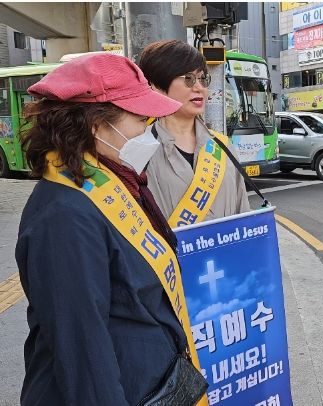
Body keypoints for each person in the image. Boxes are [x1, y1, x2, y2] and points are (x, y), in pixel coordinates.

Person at [16, 53, 206, 404]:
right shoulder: (64, 216)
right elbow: (84, 353)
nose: (148, 131)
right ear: (95, 125)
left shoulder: (113, 181)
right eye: (140, 119)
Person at [138, 40, 250, 228]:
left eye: (203, 78)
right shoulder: (140, 152)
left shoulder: (222, 146)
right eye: (188, 79)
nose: (199, 87)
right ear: (157, 86)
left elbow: (244, 214)